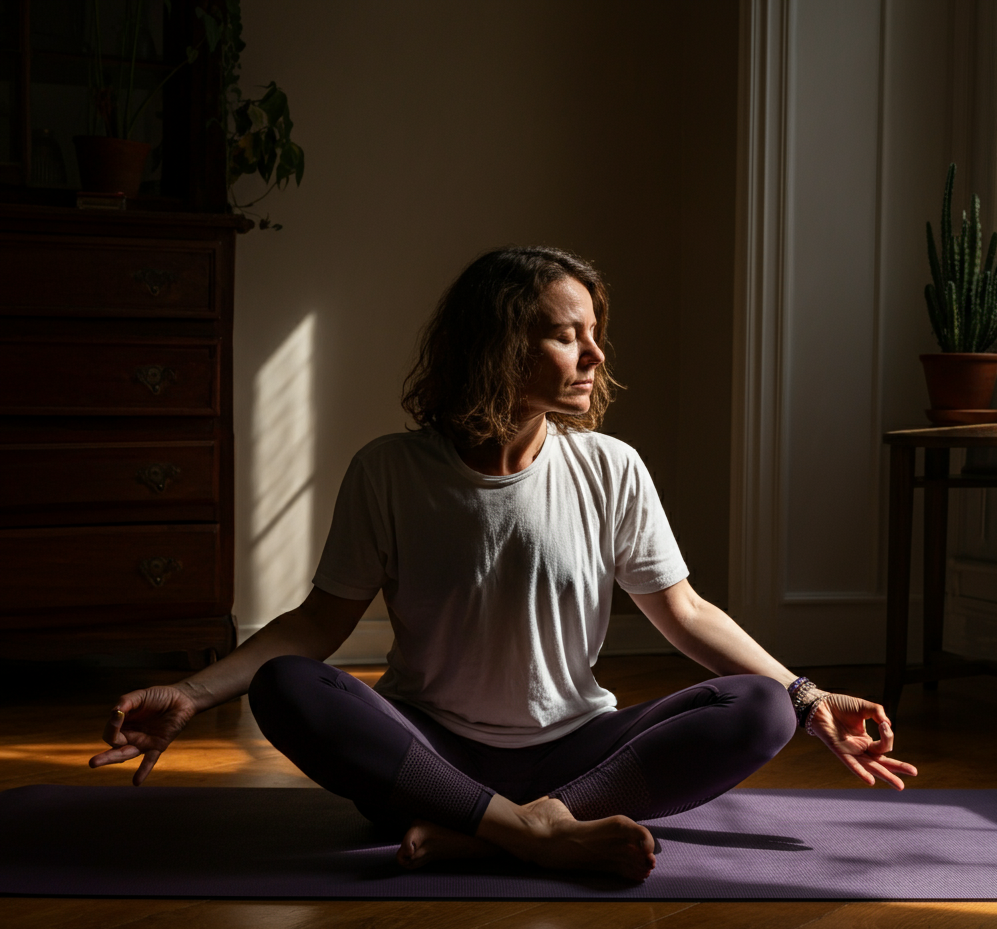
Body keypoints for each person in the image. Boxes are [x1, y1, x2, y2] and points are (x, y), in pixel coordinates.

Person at [89, 246, 918, 882]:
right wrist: (194, 693)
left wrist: (808, 697)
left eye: (594, 334)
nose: (593, 355)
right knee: (288, 687)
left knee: (760, 709)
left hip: (577, 754)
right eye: (566, 335)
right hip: (425, 755)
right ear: (494, 349)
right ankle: (529, 833)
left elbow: (687, 614)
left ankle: (499, 830)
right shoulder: (390, 470)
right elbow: (318, 624)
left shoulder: (610, 467)